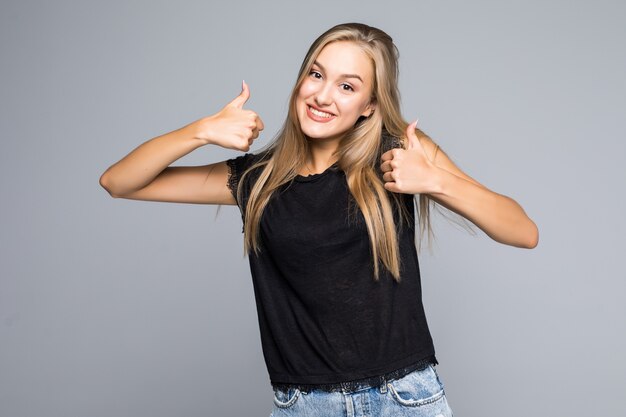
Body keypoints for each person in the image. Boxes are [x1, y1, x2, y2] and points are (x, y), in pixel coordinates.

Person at [100, 22, 538, 417]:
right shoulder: (258, 180)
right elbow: (119, 182)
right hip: (304, 406)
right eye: (316, 74)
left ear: (369, 105)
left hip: (405, 400)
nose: (323, 95)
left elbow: (523, 231)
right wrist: (199, 132)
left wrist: (437, 181)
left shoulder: (398, 154)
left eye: (348, 87)